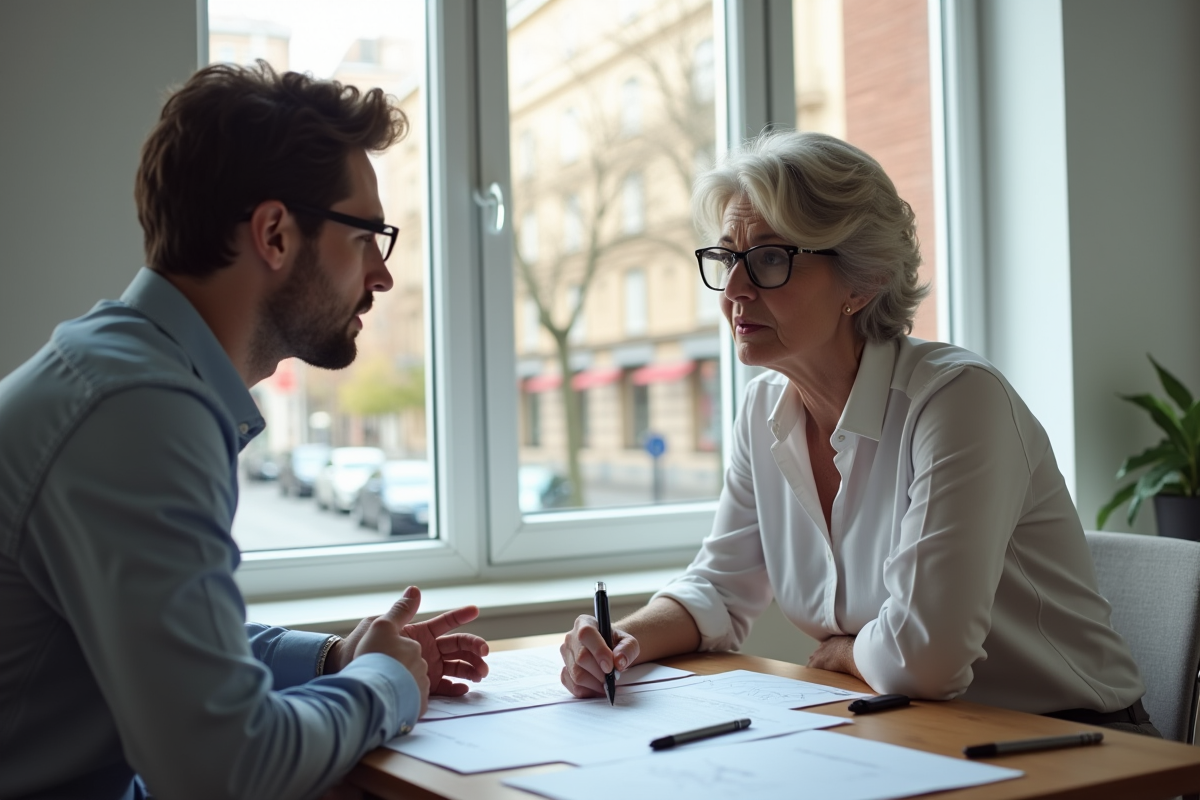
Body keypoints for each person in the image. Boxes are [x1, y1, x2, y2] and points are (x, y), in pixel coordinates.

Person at [560, 130, 1159, 737]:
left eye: (770, 258)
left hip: (1073, 743)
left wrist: (848, 652)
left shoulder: (957, 400)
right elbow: (718, 587)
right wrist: (619, 641)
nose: (735, 291)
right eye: (727, 259)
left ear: (861, 280)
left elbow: (927, 659)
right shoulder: (764, 407)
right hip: (905, 728)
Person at [0, 62, 489, 800]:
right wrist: (385, 684)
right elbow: (224, 768)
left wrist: (335, 659)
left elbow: (171, 648)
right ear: (274, 233)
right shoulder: (139, 409)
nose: (382, 276)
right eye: (367, 237)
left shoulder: (123, 369)